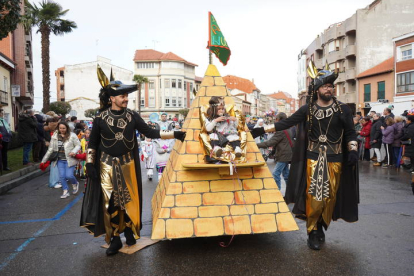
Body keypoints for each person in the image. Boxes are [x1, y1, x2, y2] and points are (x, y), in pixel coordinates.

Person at [251, 63, 359, 250]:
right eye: (326, 86)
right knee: (315, 195)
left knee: (329, 197)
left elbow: (350, 133)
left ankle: (321, 226)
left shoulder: (343, 109)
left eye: (331, 87)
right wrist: (260, 129)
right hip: (313, 157)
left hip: (335, 158)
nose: (329, 89)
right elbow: (286, 122)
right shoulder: (307, 109)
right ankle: (313, 231)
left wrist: (353, 150)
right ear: (317, 89)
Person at [80, 66, 186, 256]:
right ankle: (114, 239)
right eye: (122, 95)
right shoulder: (100, 119)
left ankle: (129, 231)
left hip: (128, 164)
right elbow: (92, 143)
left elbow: (151, 133)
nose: (126, 98)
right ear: (112, 98)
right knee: (110, 202)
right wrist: (89, 163)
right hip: (106, 165)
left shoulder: (132, 116)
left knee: (128, 201)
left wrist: (175, 134)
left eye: (127, 95)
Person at [40, 122, 81, 198]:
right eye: (60, 128)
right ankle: (65, 191)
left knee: (69, 175)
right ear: (58, 128)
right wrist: (43, 161)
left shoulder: (72, 135)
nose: (62, 130)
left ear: (67, 128)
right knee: (62, 176)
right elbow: (50, 149)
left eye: (64, 128)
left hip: (70, 159)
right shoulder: (55, 136)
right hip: (60, 160)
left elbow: (78, 145)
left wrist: (73, 152)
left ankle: (75, 183)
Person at [256, 112, 293, 191]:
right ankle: (291, 193)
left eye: (276, 119)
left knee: (276, 174)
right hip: (287, 154)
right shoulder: (287, 128)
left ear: (278, 120)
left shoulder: (281, 130)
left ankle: (278, 192)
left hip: (283, 155)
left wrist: (256, 145)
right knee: (286, 175)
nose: (275, 121)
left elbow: (270, 143)